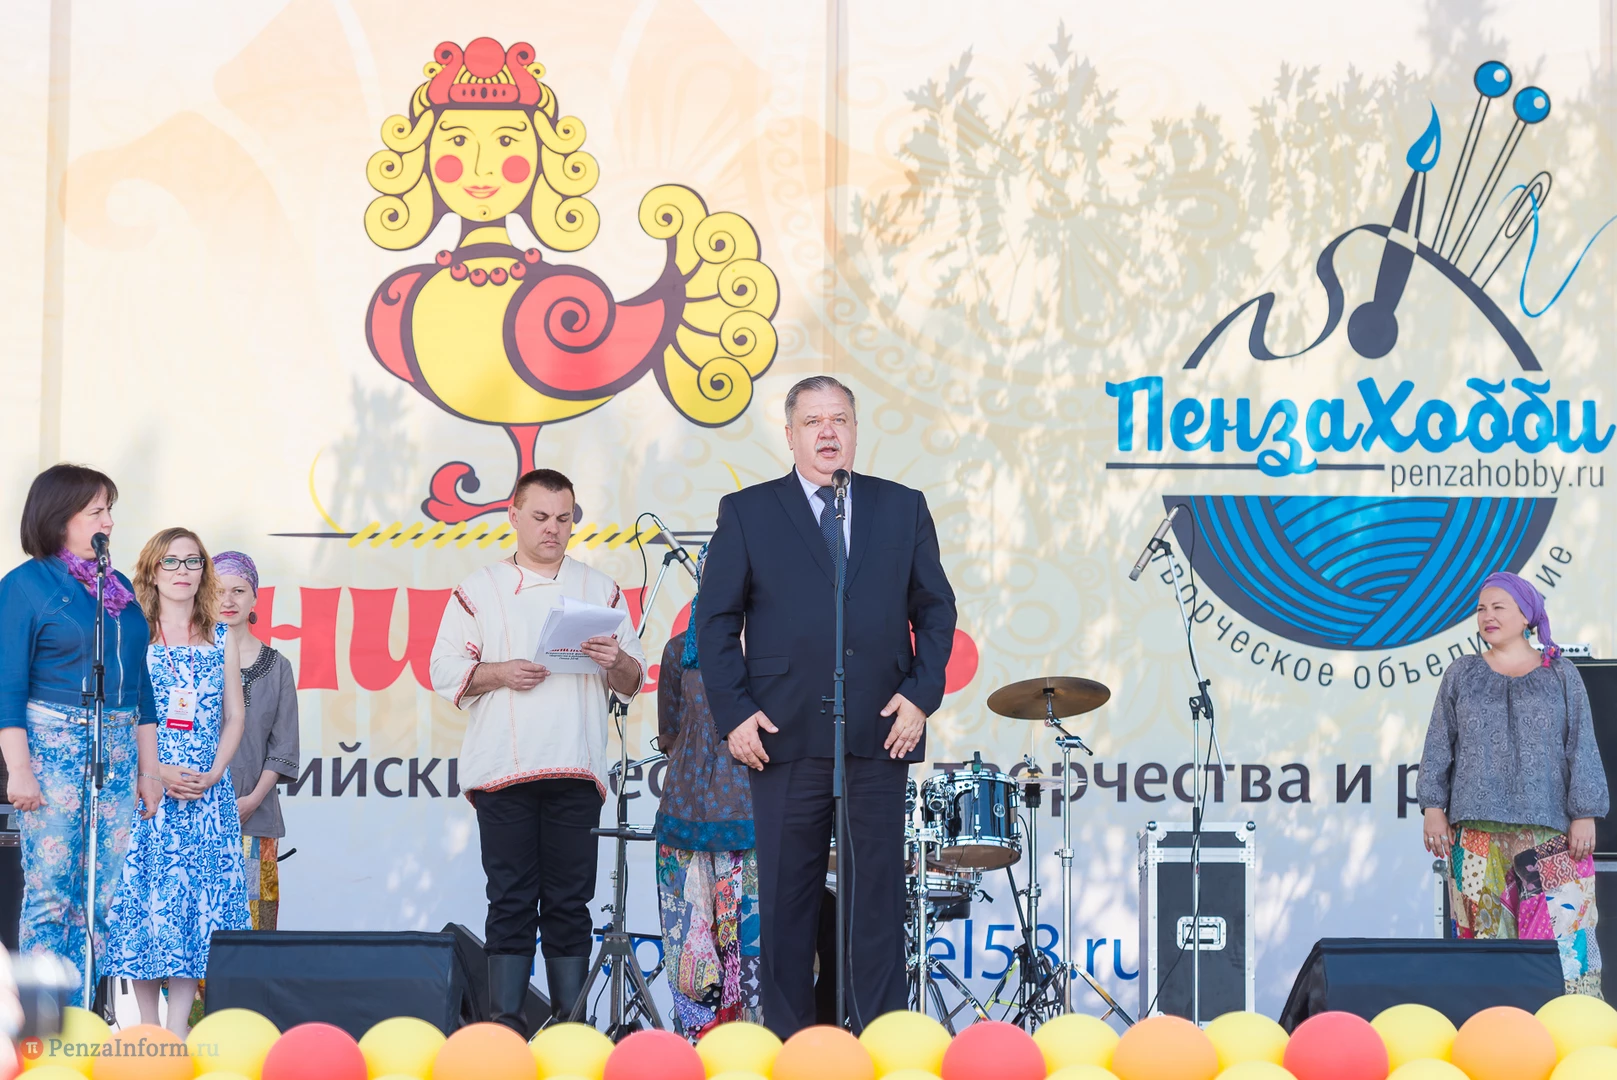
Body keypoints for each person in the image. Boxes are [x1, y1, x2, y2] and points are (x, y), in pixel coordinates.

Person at [695, 375, 957, 1037]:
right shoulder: (748, 512)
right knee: (787, 904)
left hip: (880, 730)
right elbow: (715, 622)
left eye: (838, 419)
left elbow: (935, 610)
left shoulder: (901, 507)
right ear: (789, 435)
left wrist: (920, 696)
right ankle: (789, 1047)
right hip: (779, 733)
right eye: (812, 422)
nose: (827, 432)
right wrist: (734, 712)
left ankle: (881, 1042)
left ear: (856, 430)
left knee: (876, 901)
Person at [430, 468, 646, 1035]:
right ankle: (506, 1027)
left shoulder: (599, 588)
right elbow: (443, 668)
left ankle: (570, 1027)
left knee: (571, 903)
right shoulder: (480, 588)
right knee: (510, 899)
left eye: (564, 518)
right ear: (514, 516)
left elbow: (633, 677)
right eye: (541, 517)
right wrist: (500, 671)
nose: (553, 528)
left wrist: (614, 660)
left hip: (577, 767)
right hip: (504, 770)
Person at [0, 465, 162, 1005]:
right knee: (51, 895)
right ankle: (43, 1026)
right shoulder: (25, 585)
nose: (108, 522)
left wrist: (149, 770)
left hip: (118, 748)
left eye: (109, 510)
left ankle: (81, 1021)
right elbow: (7, 687)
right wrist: (19, 769)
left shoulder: (117, 588)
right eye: (96, 511)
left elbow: (140, 686)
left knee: (100, 897)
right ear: (59, 518)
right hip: (52, 750)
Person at [1419, 571, 1609, 997]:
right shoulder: (1461, 673)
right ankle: (1491, 1032)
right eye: (1481, 609)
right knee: (1483, 952)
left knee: (1565, 950)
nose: (1487, 616)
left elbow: (1581, 744)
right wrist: (1433, 807)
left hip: (1551, 837)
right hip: (1476, 839)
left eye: (1498, 607)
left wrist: (1585, 813)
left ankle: (1570, 1030)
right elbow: (1438, 743)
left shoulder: (1561, 674)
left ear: (1526, 615)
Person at [104, 528, 251, 1035]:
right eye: (171, 561)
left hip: (206, 796)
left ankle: (179, 1027)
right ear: (151, 570)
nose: (183, 571)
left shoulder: (221, 636)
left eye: (192, 561)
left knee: (197, 908)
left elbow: (235, 716)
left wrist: (214, 773)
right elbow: (118, 717)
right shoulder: (131, 634)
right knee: (146, 905)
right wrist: (156, 771)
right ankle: (148, 1030)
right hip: (147, 791)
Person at [653, 545, 761, 1035]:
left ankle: (753, 1055)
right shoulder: (678, 651)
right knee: (688, 960)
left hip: (754, 822)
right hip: (684, 820)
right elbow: (671, 734)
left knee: (752, 960)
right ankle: (695, 1054)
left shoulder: (775, 649)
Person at [214, 551, 299, 931]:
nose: (228, 600)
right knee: (194, 922)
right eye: (218, 591)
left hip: (255, 815)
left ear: (254, 598)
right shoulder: (192, 659)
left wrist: (251, 801)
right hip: (194, 812)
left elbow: (284, 747)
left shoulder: (277, 667)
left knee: (254, 924)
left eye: (238, 590)